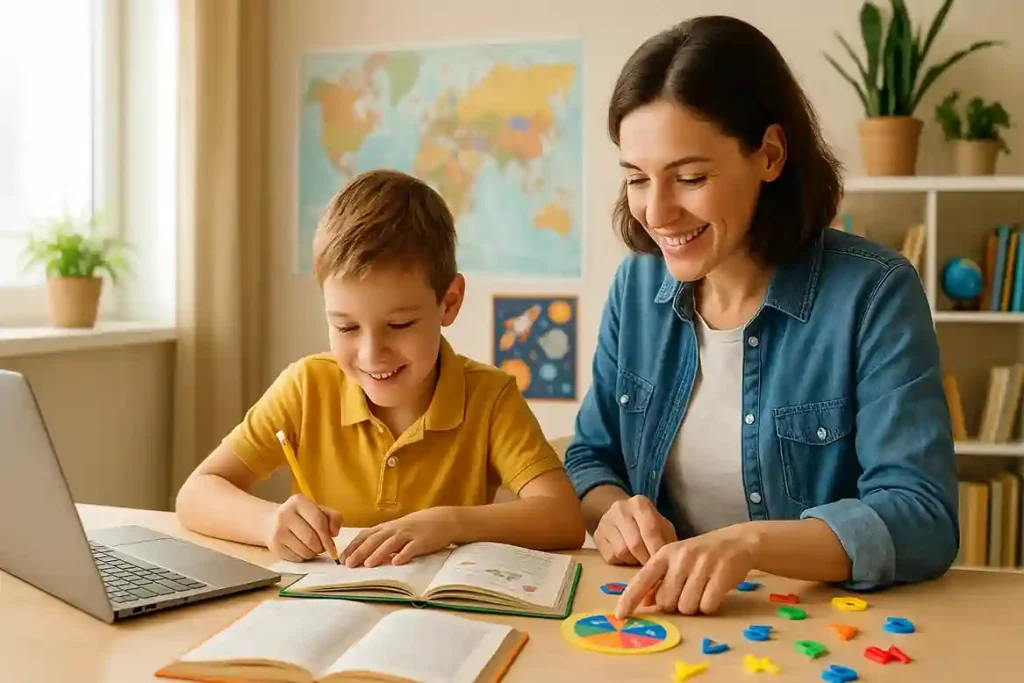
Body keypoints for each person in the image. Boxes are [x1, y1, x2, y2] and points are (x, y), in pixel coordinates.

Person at [562, 15, 959, 619]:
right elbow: (591, 458)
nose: (657, 212)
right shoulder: (635, 288)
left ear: (769, 155)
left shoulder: (875, 294)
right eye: (637, 179)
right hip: (663, 623)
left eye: (690, 177)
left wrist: (749, 545)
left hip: (813, 627)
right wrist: (612, 507)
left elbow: (922, 515)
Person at [176, 169, 586, 566]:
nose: (372, 354)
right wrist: (268, 523)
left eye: (400, 325)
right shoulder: (306, 387)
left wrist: (448, 523)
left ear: (449, 302)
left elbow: (563, 518)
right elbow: (195, 494)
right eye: (346, 326)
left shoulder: (490, 397)